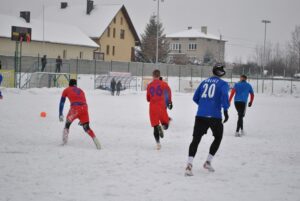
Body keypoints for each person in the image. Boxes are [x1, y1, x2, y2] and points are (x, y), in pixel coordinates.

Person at [185, 63, 230, 176]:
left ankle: (189, 165)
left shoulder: (204, 82)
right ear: (221, 72)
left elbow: (195, 98)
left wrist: (204, 105)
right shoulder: (223, 84)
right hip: (215, 116)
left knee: (195, 140)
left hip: (200, 115)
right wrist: (225, 110)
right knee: (218, 137)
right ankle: (208, 161)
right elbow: (224, 96)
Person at [59, 79, 101, 149]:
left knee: (67, 124)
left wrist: (60, 113)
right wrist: (81, 118)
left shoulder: (66, 90)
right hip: (84, 108)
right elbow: (83, 100)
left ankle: (64, 142)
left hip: (75, 108)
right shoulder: (81, 90)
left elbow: (62, 103)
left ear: (69, 84)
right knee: (87, 128)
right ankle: (96, 141)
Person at [147, 70, 172, 150]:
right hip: (161, 107)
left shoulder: (149, 85)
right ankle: (162, 127)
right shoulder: (164, 84)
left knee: (155, 127)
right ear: (159, 75)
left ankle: (158, 144)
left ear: (153, 76)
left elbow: (148, 99)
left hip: (153, 108)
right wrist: (169, 103)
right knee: (166, 125)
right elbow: (168, 94)